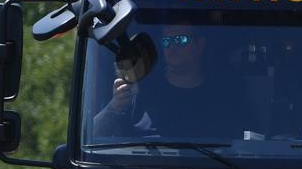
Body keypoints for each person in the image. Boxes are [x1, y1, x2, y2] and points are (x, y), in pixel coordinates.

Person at [91, 25, 238, 139]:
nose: (172, 47)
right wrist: (115, 106)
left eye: (180, 40)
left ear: (199, 45)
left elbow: (250, 141)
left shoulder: (223, 95)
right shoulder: (141, 90)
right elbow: (93, 137)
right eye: (166, 41)